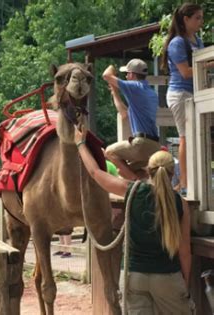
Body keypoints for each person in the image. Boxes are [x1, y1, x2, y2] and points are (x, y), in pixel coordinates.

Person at [74, 126, 193, 314]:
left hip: (134, 277)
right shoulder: (181, 203)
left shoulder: (133, 191)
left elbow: (96, 173)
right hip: (168, 277)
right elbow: (184, 251)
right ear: (172, 173)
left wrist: (80, 143)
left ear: (148, 169)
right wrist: (184, 284)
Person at [161, 2, 205, 196]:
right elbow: (186, 72)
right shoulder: (177, 42)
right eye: (197, 18)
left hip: (196, 94)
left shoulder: (198, 40)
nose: (201, 22)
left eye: (201, 18)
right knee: (186, 137)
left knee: (199, 137)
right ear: (185, 19)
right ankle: (185, 183)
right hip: (180, 94)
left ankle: (196, 180)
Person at [102, 59, 160, 180]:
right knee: (123, 171)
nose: (126, 77)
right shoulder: (150, 93)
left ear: (132, 74)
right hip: (154, 146)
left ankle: (136, 186)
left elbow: (106, 75)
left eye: (127, 74)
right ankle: (143, 184)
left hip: (141, 143)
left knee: (109, 152)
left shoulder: (134, 86)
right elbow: (124, 114)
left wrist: (113, 66)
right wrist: (115, 92)